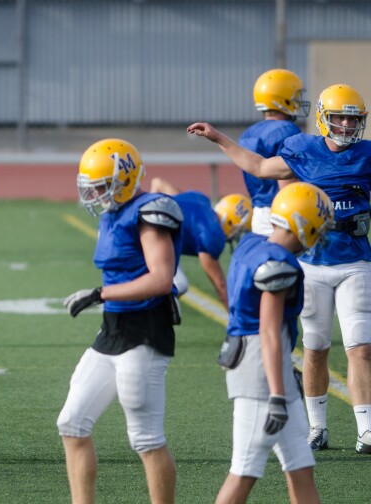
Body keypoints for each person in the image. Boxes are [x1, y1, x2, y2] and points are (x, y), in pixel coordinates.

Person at [187, 83, 371, 454]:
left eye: (353, 120)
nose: (347, 126)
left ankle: (367, 430)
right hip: (311, 261)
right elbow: (257, 165)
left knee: (361, 347)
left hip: (355, 261)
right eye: (339, 117)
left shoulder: (367, 154)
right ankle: (317, 427)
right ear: (323, 117)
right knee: (315, 346)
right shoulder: (305, 149)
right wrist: (218, 137)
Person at [57, 138, 183, 504]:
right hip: (113, 330)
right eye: (90, 187)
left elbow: (161, 279)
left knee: (145, 438)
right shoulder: (113, 213)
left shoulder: (149, 211)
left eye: (101, 186)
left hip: (146, 330)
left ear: (125, 178)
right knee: (72, 422)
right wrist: (104, 298)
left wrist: (99, 294)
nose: (94, 194)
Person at [215, 182, 331, 504]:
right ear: (303, 224)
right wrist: (277, 393)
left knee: (301, 468)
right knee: (244, 472)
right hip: (259, 374)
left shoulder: (252, 243)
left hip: (267, 365)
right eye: (317, 226)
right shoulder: (278, 264)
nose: (319, 234)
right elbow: (268, 330)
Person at [239, 69, 309, 235]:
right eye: (294, 95)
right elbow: (286, 186)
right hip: (281, 212)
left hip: (258, 213)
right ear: (282, 98)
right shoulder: (287, 130)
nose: (298, 101)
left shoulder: (249, 132)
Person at [149, 177, 230, 309]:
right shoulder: (212, 234)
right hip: (149, 241)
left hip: (154, 237)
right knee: (179, 284)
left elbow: (157, 182)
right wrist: (238, 324)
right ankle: (144, 312)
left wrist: (152, 209)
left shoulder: (201, 199)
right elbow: (220, 285)